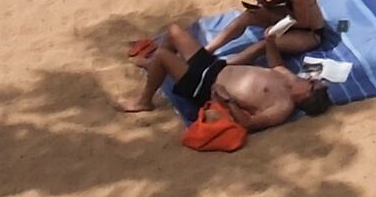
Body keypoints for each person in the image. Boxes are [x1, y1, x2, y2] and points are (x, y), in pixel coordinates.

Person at [116, 17, 322, 132]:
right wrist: (270, 42)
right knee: (173, 31)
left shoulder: (282, 107)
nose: (311, 79)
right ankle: (155, 67)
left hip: (206, 87)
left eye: (312, 84)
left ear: (306, 96)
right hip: (215, 67)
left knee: (162, 55)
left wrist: (228, 100)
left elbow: (249, 124)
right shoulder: (289, 79)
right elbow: (276, 64)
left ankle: (144, 101)